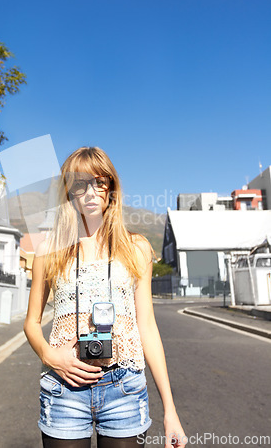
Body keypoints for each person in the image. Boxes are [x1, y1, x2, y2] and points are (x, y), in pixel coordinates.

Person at [24, 147, 186, 448]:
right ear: (68, 192)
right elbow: (31, 322)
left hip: (124, 388)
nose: (90, 192)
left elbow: (147, 326)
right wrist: (50, 356)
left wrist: (170, 410)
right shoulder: (48, 250)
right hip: (64, 387)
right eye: (79, 183)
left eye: (99, 181)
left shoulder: (136, 247)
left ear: (111, 187)